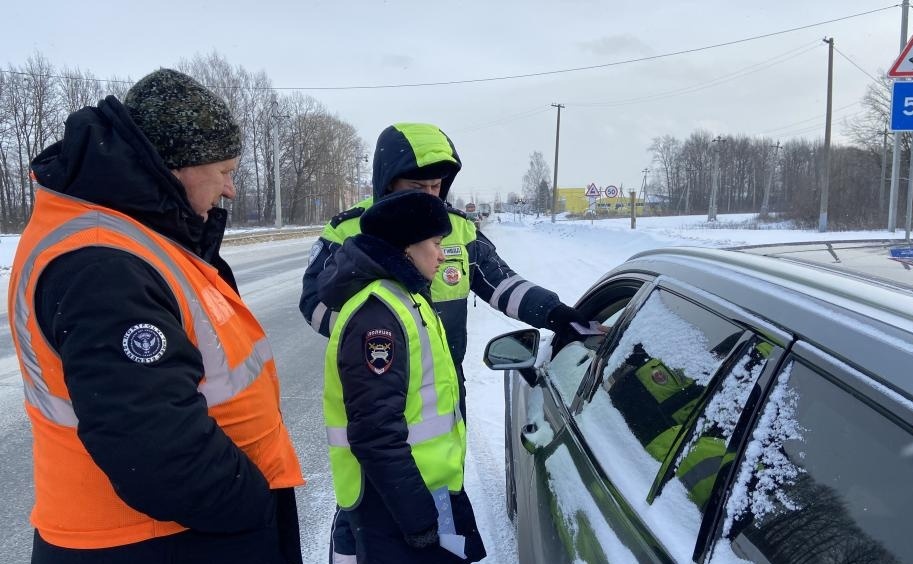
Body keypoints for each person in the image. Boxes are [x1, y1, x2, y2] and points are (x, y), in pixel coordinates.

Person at [10, 68, 305, 564]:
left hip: (180, 533)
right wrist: (251, 507)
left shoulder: (138, 238)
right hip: (153, 541)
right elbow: (152, 447)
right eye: (225, 171)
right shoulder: (104, 264)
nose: (231, 189)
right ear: (178, 166)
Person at [300, 122, 588, 562]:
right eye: (418, 187)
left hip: (442, 393)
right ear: (386, 183)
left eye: (437, 186)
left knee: (438, 502)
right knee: (370, 515)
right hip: (379, 392)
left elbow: (500, 283)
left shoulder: (455, 228)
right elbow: (313, 303)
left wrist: (555, 312)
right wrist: (381, 333)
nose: (430, 197)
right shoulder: (349, 230)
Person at [324, 190, 487, 563]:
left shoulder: (408, 297)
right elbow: (375, 432)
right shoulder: (377, 316)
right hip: (395, 504)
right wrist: (417, 518)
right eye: (436, 243)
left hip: (430, 490)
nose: (442, 254)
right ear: (406, 247)